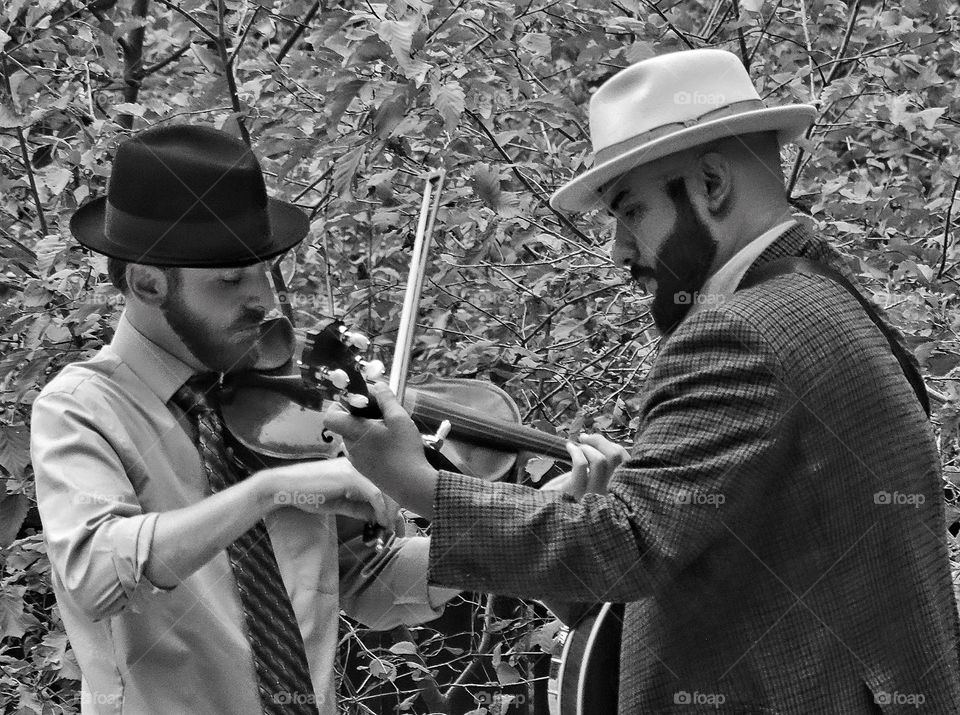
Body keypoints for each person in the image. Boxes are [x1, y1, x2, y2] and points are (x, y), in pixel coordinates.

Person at [326, 49, 960, 712]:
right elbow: (707, 564)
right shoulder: (823, 294)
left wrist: (417, 482)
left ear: (711, 184)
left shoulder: (739, 330)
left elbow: (626, 543)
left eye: (632, 212)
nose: (620, 252)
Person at [31, 124, 467, 715]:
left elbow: (372, 588)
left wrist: (497, 536)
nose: (264, 299)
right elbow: (94, 575)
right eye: (232, 279)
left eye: (264, 269)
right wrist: (271, 489)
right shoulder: (81, 408)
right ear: (147, 282)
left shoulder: (287, 404)